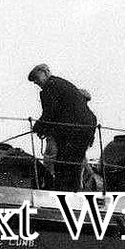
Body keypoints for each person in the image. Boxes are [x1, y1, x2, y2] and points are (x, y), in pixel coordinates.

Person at [28, 63, 97, 191]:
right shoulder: (62, 84)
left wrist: (38, 127)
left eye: (37, 79)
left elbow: (50, 112)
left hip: (73, 130)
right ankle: (73, 191)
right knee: (73, 163)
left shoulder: (50, 87)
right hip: (85, 128)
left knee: (63, 164)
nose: (36, 83)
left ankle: (64, 192)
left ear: (46, 73)